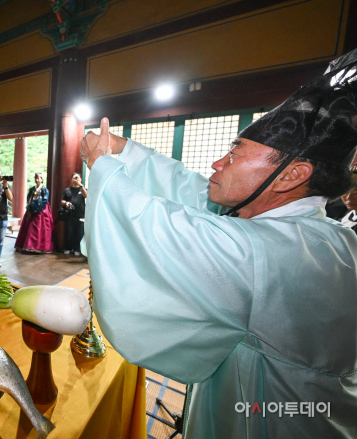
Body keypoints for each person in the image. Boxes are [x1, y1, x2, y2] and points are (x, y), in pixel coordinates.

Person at [80, 49, 357, 439]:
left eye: (235, 152)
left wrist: (104, 169)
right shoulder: (321, 234)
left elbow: (163, 226)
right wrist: (127, 152)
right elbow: (194, 193)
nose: (217, 164)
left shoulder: (271, 252)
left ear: (292, 174)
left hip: (277, 416)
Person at [15, 173, 54, 253]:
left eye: (39, 178)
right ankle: (28, 246)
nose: (37, 180)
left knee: (39, 228)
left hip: (42, 210)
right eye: (35, 179)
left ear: (42, 179)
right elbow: (29, 197)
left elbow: (45, 200)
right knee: (29, 226)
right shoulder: (32, 189)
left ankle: (38, 247)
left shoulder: (44, 189)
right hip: (31, 209)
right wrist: (31, 206)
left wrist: (38, 208)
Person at [61, 172, 87, 255]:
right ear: (71, 180)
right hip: (70, 215)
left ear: (81, 179)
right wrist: (66, 203)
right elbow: (62, 201)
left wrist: (81, 185)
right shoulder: (67, 190)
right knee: (69, 232)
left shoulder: (82, 189)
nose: (76, 179)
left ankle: (76, 250)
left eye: (77, 178)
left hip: (80, 215)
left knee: (79, 233)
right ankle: (68, 248)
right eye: (74, 178)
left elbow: (86, 195)